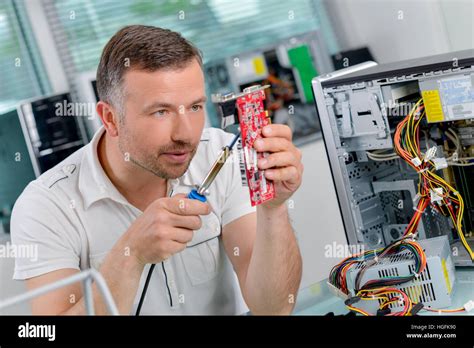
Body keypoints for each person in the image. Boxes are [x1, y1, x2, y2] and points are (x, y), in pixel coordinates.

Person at [11, 25, 303, 315]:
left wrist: (274, 209)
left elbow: (274, 309)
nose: (186, 134)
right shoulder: (45, 206)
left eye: (195, 107)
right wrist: (131, 255)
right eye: (160, 112)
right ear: (110, 118)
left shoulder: (221, 155)